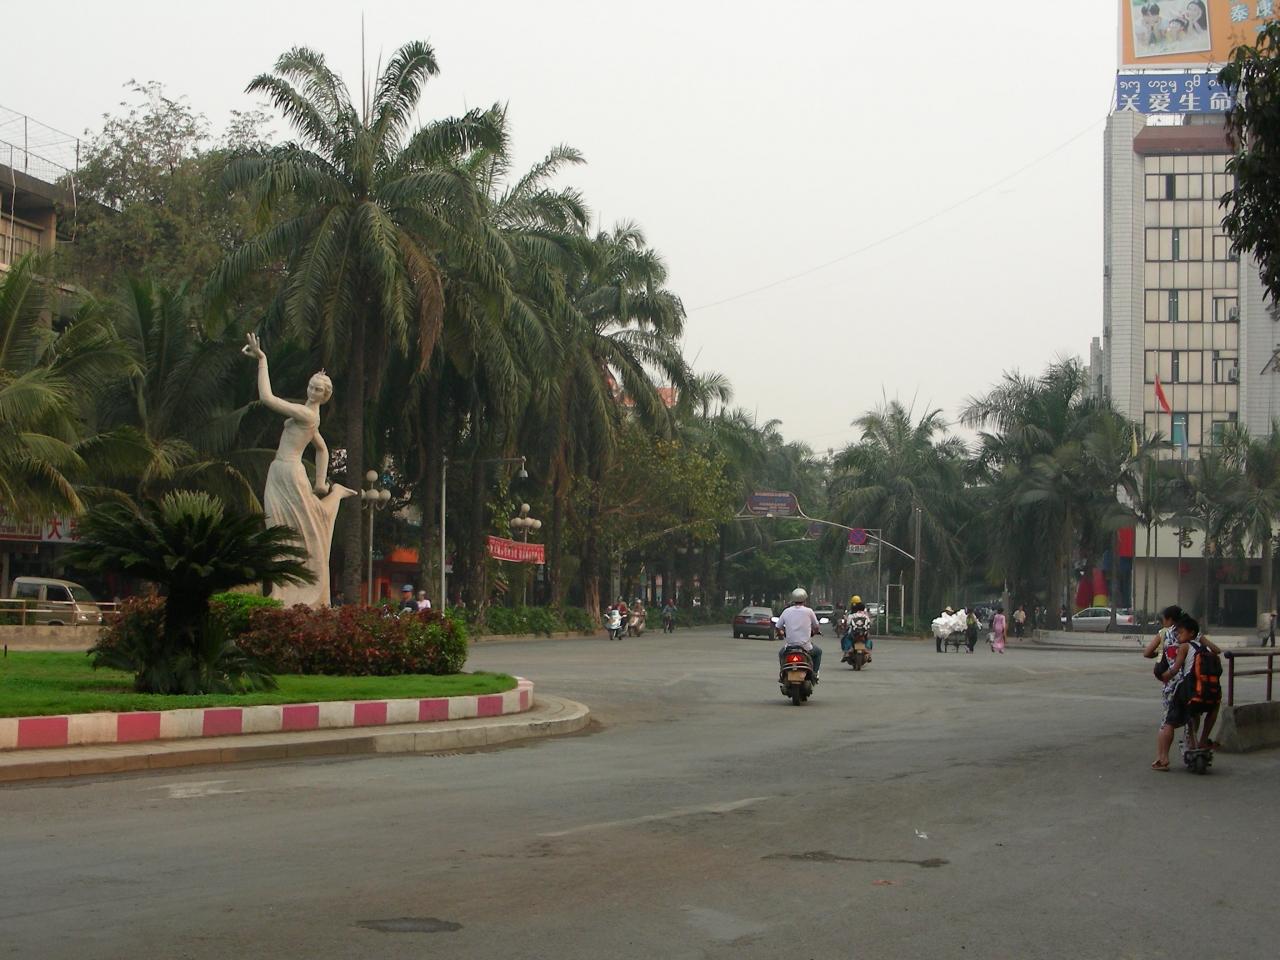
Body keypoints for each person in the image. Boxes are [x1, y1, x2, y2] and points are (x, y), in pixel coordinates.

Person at [1152, 614, 1223, 770]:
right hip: (1209, 693)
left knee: (1169, 722)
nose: (1178, 635)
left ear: (1191, 633)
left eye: (1181, 632)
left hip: (1188, 691)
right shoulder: (1206, 648)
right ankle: (1203, 740)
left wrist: (1162, 676)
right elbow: (1218, 650)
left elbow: (1174, 669)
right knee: (1213, 708)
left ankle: (1163, 760)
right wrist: (1202, 639)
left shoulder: (1185, 647)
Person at [776, 587, 823, 676]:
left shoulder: (786, 611)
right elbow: (816, 626)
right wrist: (814, 632)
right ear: (805, 599)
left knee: (781, 654)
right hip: (806, 647)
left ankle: (783, 673)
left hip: (790, 647)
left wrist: (781, 633)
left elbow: (778, 627)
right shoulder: (809, 611)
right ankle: (815, 673)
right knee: (818, 652)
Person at [843, 596, 873, 662]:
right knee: (868, 639)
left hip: (853, 633)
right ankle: (868, 652)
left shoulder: (851, 615)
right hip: (863, 633)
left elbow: (848, 623)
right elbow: (869, 623)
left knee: (846, 638)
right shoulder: (865, 614)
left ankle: (848, 651)